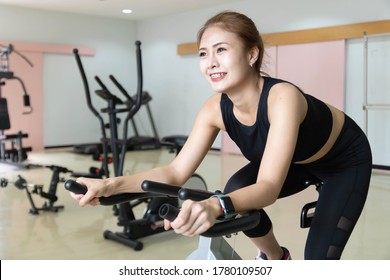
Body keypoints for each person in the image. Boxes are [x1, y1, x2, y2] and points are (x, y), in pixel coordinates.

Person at [70, 11, 372, 260]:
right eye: (203, 53)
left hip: (343, 162)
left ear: (252, 54)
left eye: (221, 50)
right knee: (236, 188)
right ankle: (278, 259)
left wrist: (215, 205)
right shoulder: (214, 109)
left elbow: (267, 187)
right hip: (295, 159)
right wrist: (109, 185)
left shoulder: (282, 97)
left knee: (319, 260)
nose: (210, 62)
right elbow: (175, 172)